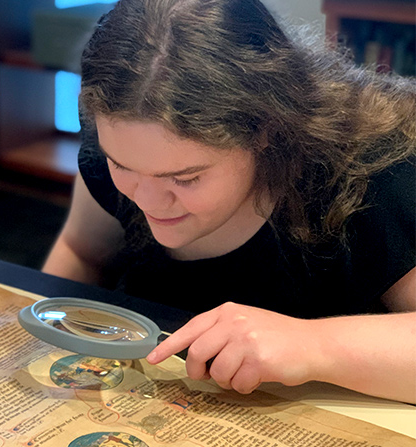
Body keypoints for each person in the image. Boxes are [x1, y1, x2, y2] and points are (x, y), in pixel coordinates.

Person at [43, 0, 416, 404]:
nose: (148, 201)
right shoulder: (124, 136)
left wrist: (313, 345)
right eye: (122, 166)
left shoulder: (376, 176)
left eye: (185, 178)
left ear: (267, 130)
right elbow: (82, 253)